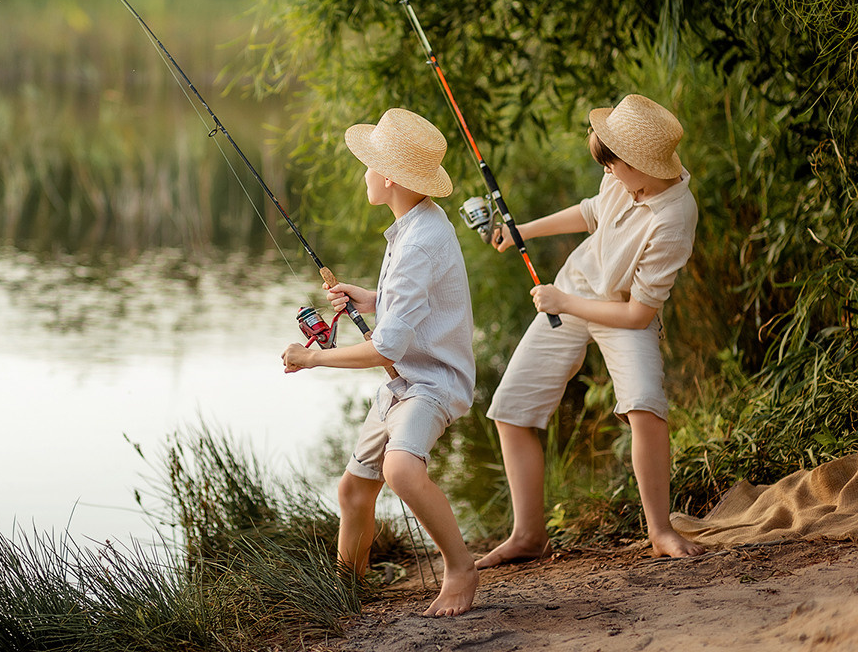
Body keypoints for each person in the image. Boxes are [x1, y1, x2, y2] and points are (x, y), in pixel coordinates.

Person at [476, 94, 707, 568]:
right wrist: (521, 233)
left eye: (616, 165)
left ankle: (660, 530)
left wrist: (562, 303)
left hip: (622, 310)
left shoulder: (674, 219)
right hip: (577, 287)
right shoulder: (621, 175)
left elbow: (639, 315)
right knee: (510, 408)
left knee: (644, 405)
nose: (609, 174)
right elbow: (591, 213)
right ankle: (529, 535)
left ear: (644, 165)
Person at [281, 107, 479, 616]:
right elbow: (413, 304)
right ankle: (348, 591)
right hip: (405, 382)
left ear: (388, 178)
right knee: (353, 488)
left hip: (430, 381)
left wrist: (315, 358)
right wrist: (370, 299)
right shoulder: (417, 224)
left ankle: (460, 569)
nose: (364, 173)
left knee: (401, 471)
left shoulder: (418, 243)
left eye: (369, 165)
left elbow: (386, 348)